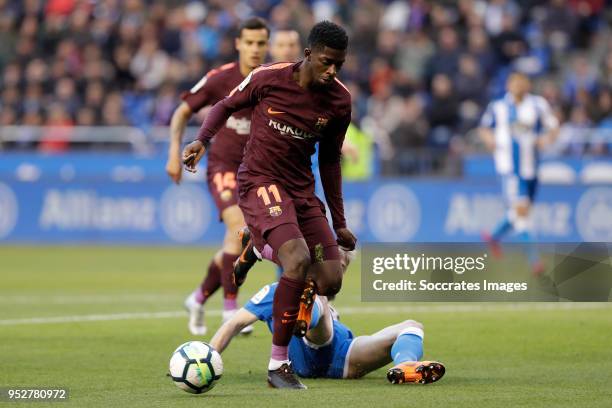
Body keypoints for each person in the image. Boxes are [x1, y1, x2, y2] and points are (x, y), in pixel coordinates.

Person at [182, 21, 357, 389]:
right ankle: (279, 365)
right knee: (296, 259)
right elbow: (225, 105)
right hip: (260, 181)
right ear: (308, 54)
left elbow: (329, 161)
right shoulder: (269, 78)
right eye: (327, 62)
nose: (332, 71)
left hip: (301, 191)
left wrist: (338, 221)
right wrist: (201, 140)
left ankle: (258, 247)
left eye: (339, 64)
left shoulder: (340, 101)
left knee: (330, 280)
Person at [165, 17, 269, 336]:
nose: (254, 49)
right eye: (249, 42)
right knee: (239, 230)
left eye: (260, 43)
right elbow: (182, 112)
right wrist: (173, 153)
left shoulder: (272, 79)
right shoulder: (220, 78)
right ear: (238, 44)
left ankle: (197, 299)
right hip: (223, 167)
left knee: (237, 242)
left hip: (256, 172)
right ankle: (230, 310)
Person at [209, 273, 446, 385]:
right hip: (331, 354)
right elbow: (234, 323)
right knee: (320, 302)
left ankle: (405, 365)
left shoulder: (278, 290)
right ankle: (306, 316)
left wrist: (208, 357)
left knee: (411, 326)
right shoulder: (276, 291)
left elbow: (234, 324)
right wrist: (208, 356)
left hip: (341, 355)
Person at [479, 73, 559, 273]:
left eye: (522, 82)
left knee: (520, 212)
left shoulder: (538, 104)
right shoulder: (498, 107)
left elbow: (554, 126)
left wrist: (547, 139)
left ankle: (493, 236)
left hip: (531, 167)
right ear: (508, 85)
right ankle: (535, 262)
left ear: (528, 85)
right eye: (514, 83)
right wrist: (489, 139)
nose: (518, 86)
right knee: (521, 212)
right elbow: (484, 128)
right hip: (509, 168)